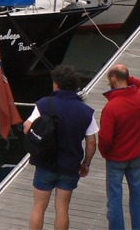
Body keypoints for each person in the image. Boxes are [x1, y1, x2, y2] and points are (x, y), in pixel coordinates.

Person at [25, 65, 98, 230]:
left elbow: (27, 127)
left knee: (39, 207)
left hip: (45, 163)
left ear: (56, 84)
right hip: (70, 166)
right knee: (62, 209)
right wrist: (86, 164)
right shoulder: (86, 111)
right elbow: (92, 143)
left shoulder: (44, 104)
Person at [99, 64, 140, 230]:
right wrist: (127, 77)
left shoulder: (111, 107)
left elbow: (105, 139)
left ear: (113, 79)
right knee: (137, 195)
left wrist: (105, 152)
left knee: (115, 199)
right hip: (136, 157)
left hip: (116, 159)